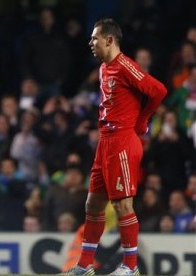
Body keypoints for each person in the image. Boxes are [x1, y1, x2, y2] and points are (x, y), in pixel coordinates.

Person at [65, 18, 166, 275]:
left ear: (109, 40)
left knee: (122, 206)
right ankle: (85, 264)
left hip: (122, 141)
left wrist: (142, 119)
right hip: (105, 142)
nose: (91, 43)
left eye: (94, 38)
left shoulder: (125, 66)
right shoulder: (103, 68)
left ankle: (130, 267)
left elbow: (158, 90)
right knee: (93, 204)